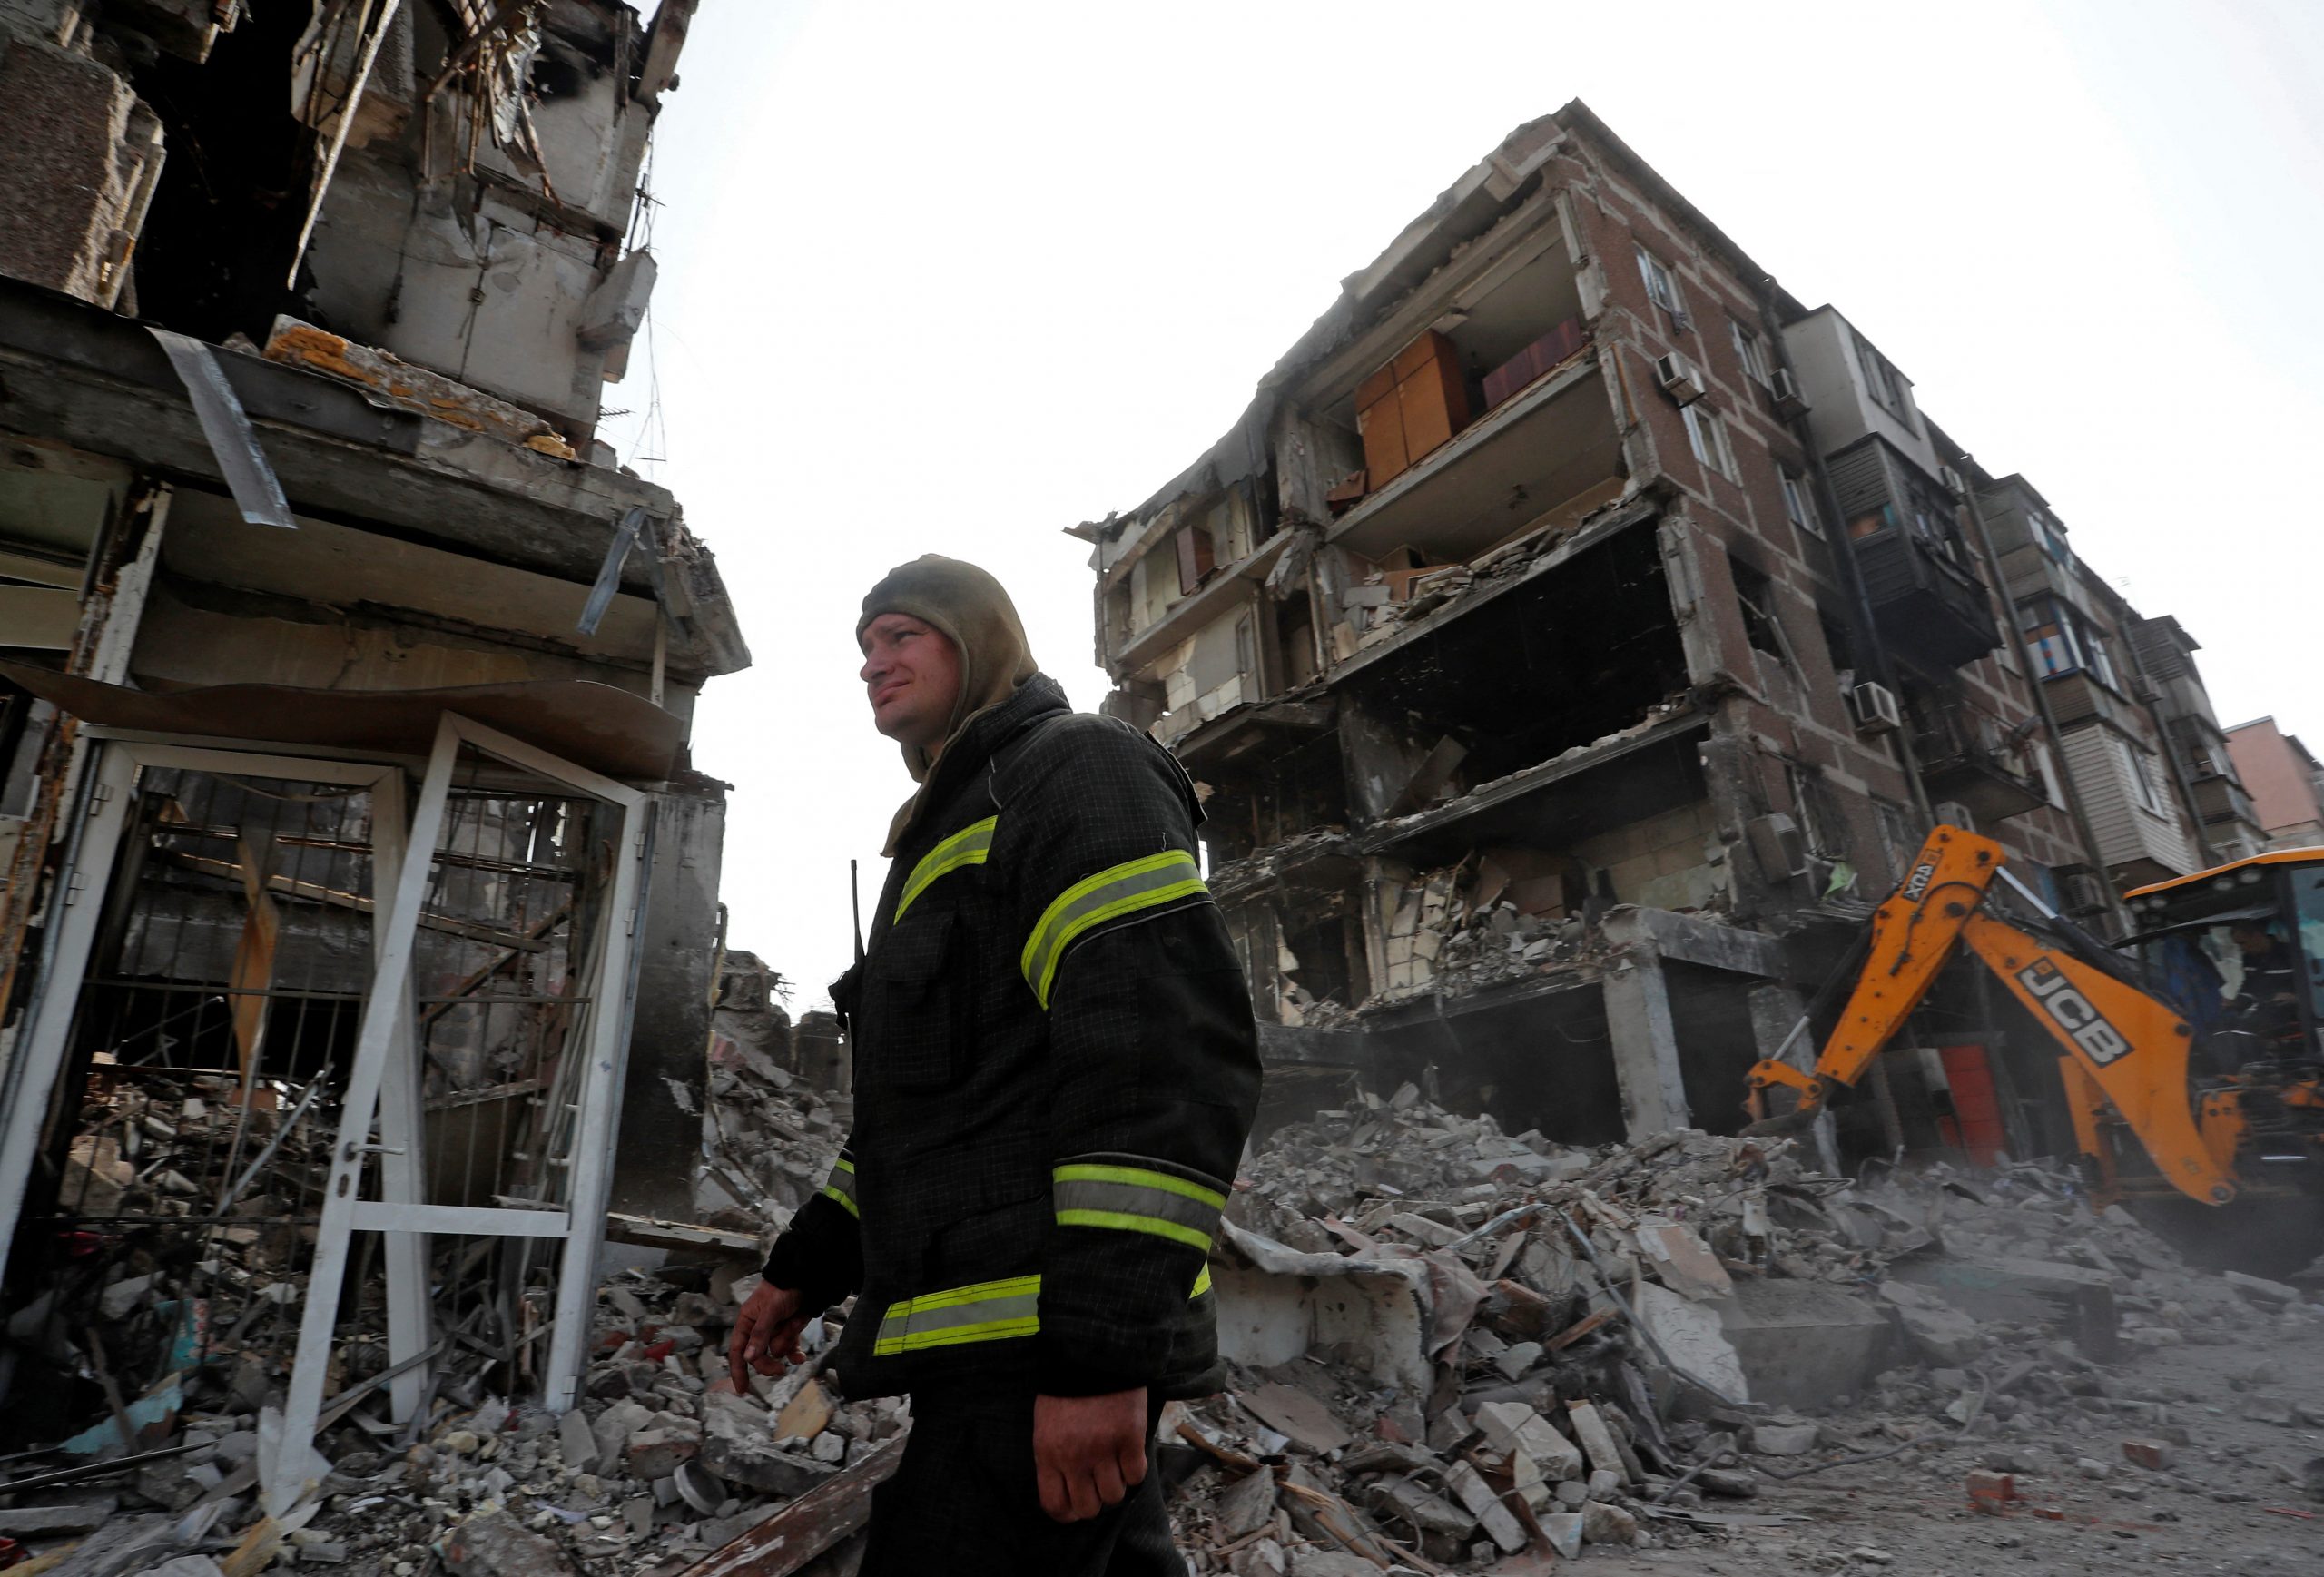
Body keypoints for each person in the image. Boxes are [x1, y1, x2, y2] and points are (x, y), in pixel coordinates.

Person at [727, 555, 1261, 1574]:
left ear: (976, 644)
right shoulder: (946, 830)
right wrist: (804, 1268)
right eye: (863, 647)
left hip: (1037, 1355)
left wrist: (1099, 1359)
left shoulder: (1072, 770)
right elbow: (926, 1118)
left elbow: (1161, 1058)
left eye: (899, 636)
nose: (871, 664)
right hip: (993, 1358)